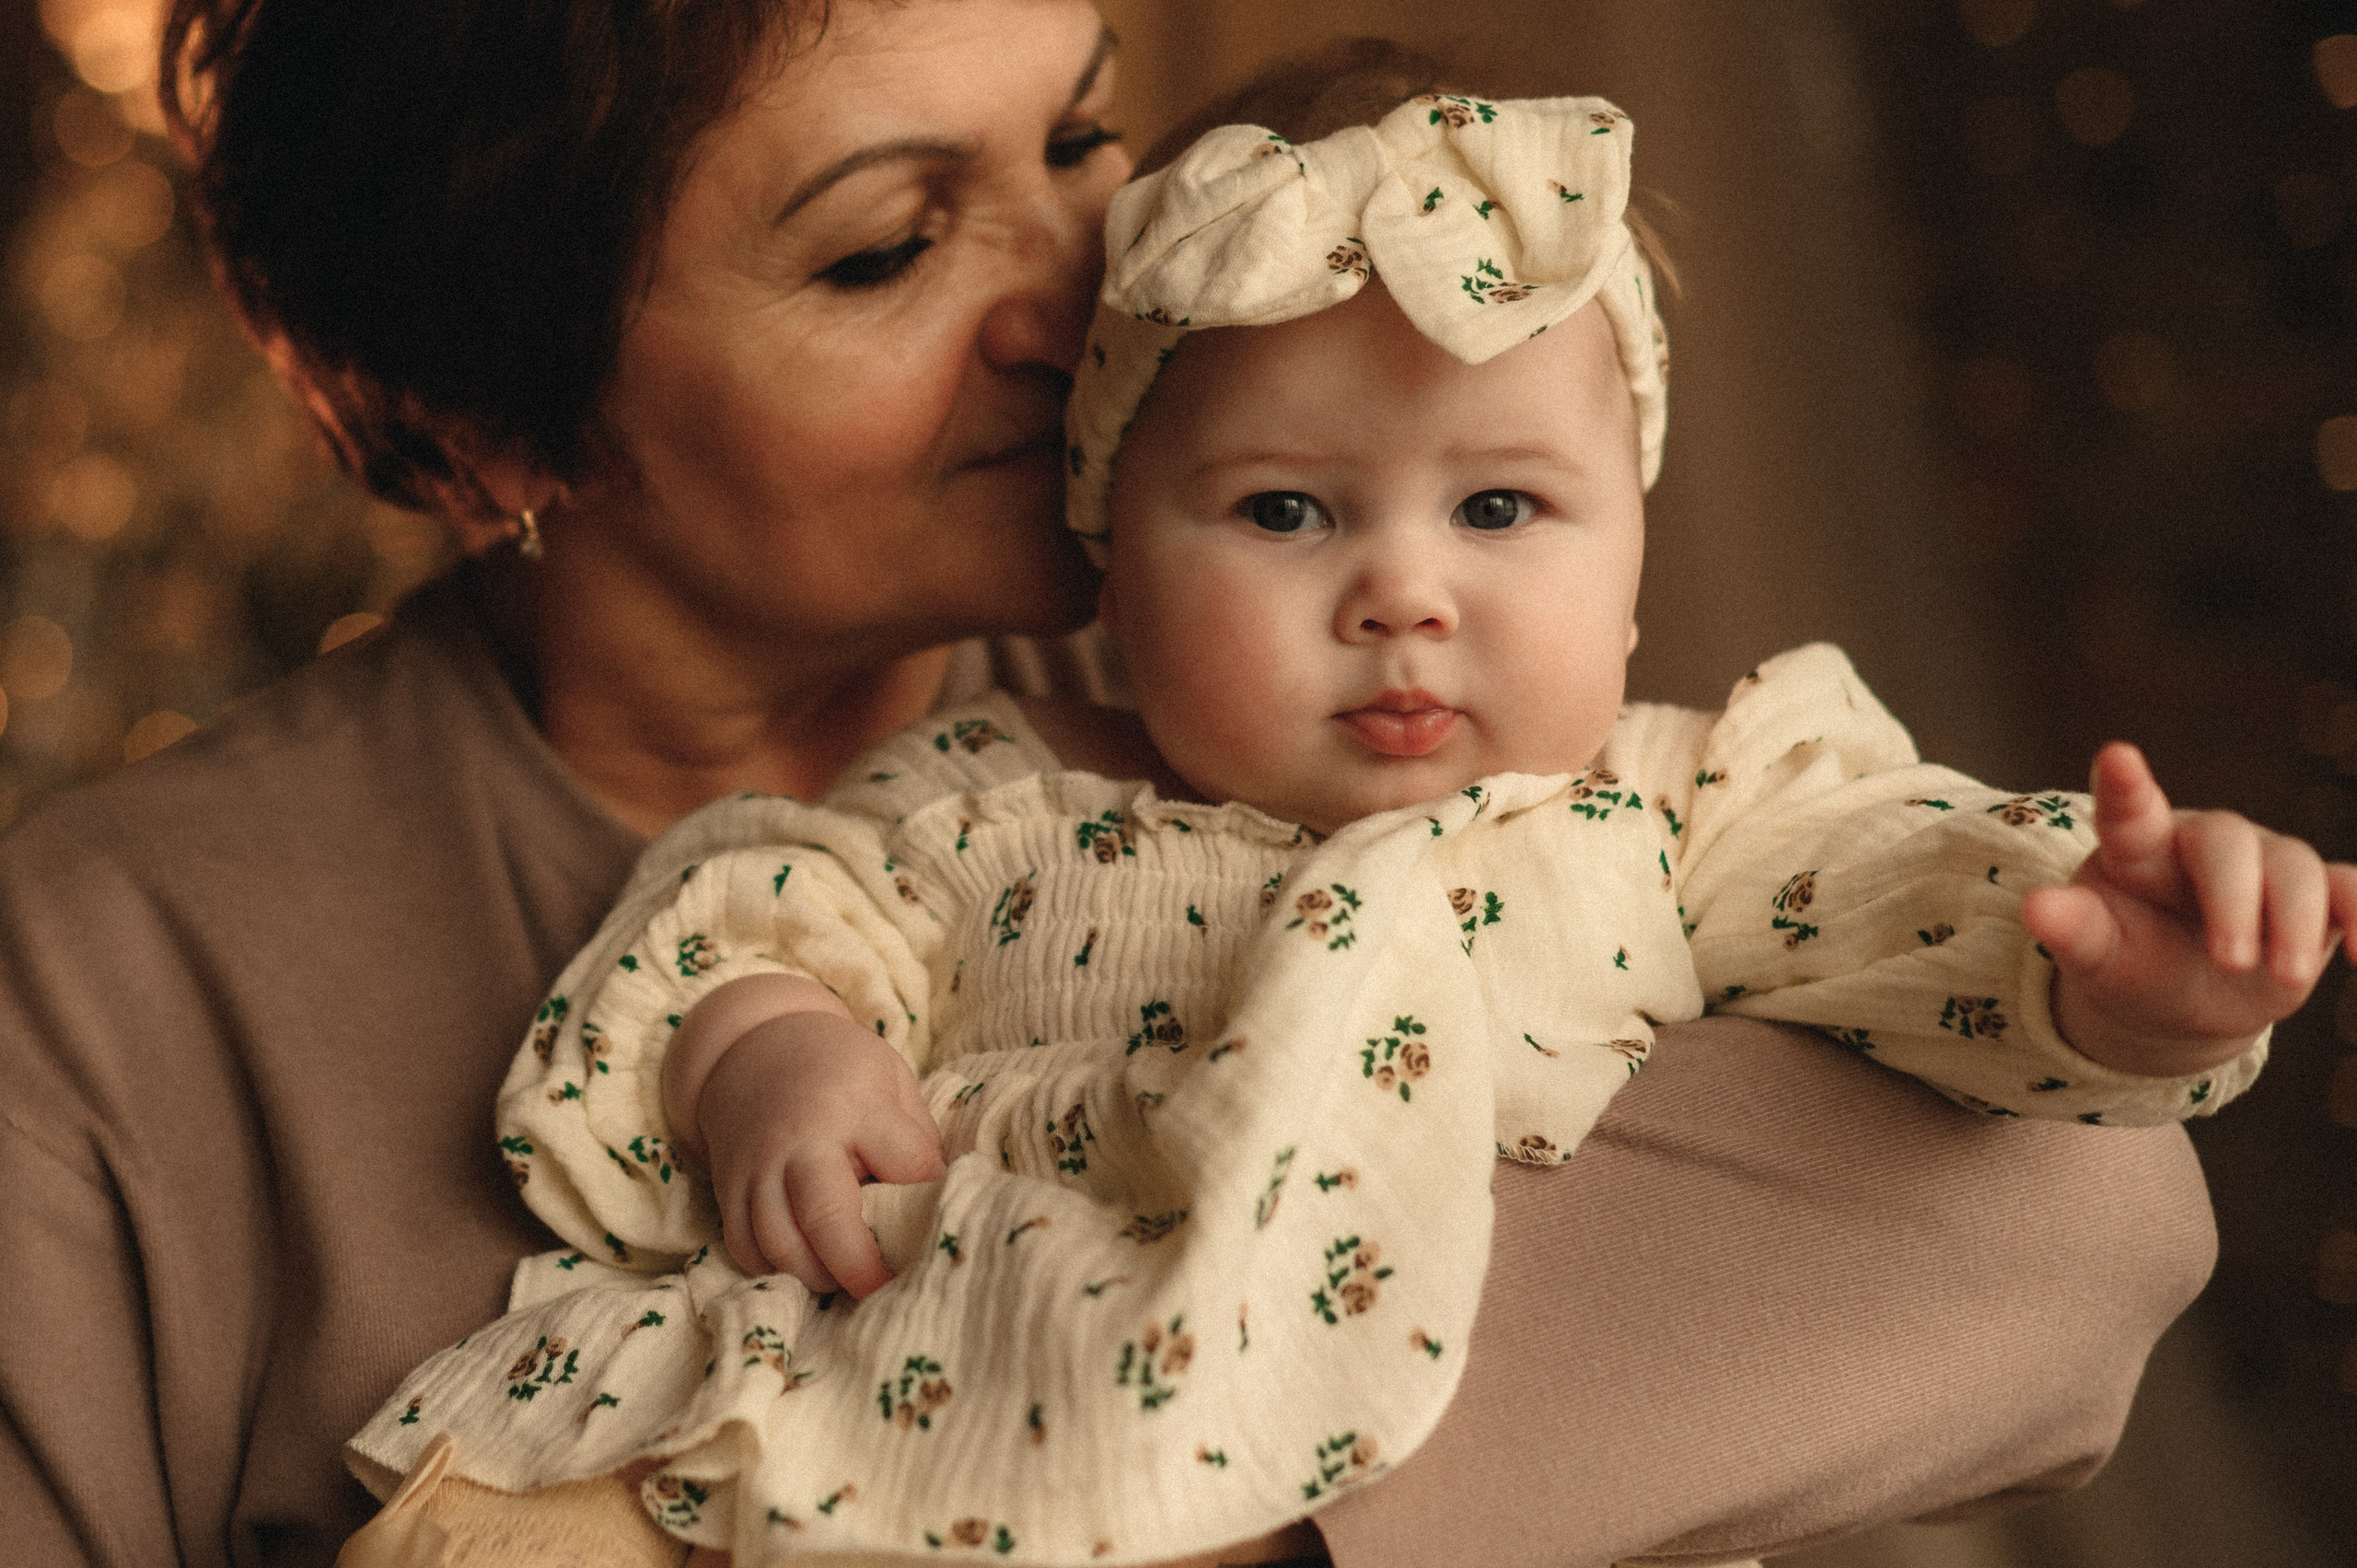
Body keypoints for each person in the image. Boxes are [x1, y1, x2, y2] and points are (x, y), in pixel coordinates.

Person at [0, 8, 2235, 1567]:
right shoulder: (105, 993)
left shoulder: (1337, 689)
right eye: (885, 245)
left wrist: (1117, 1495)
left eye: (1077, 139)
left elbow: (2064, 1214)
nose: (1086, 288)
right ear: (499, 418)